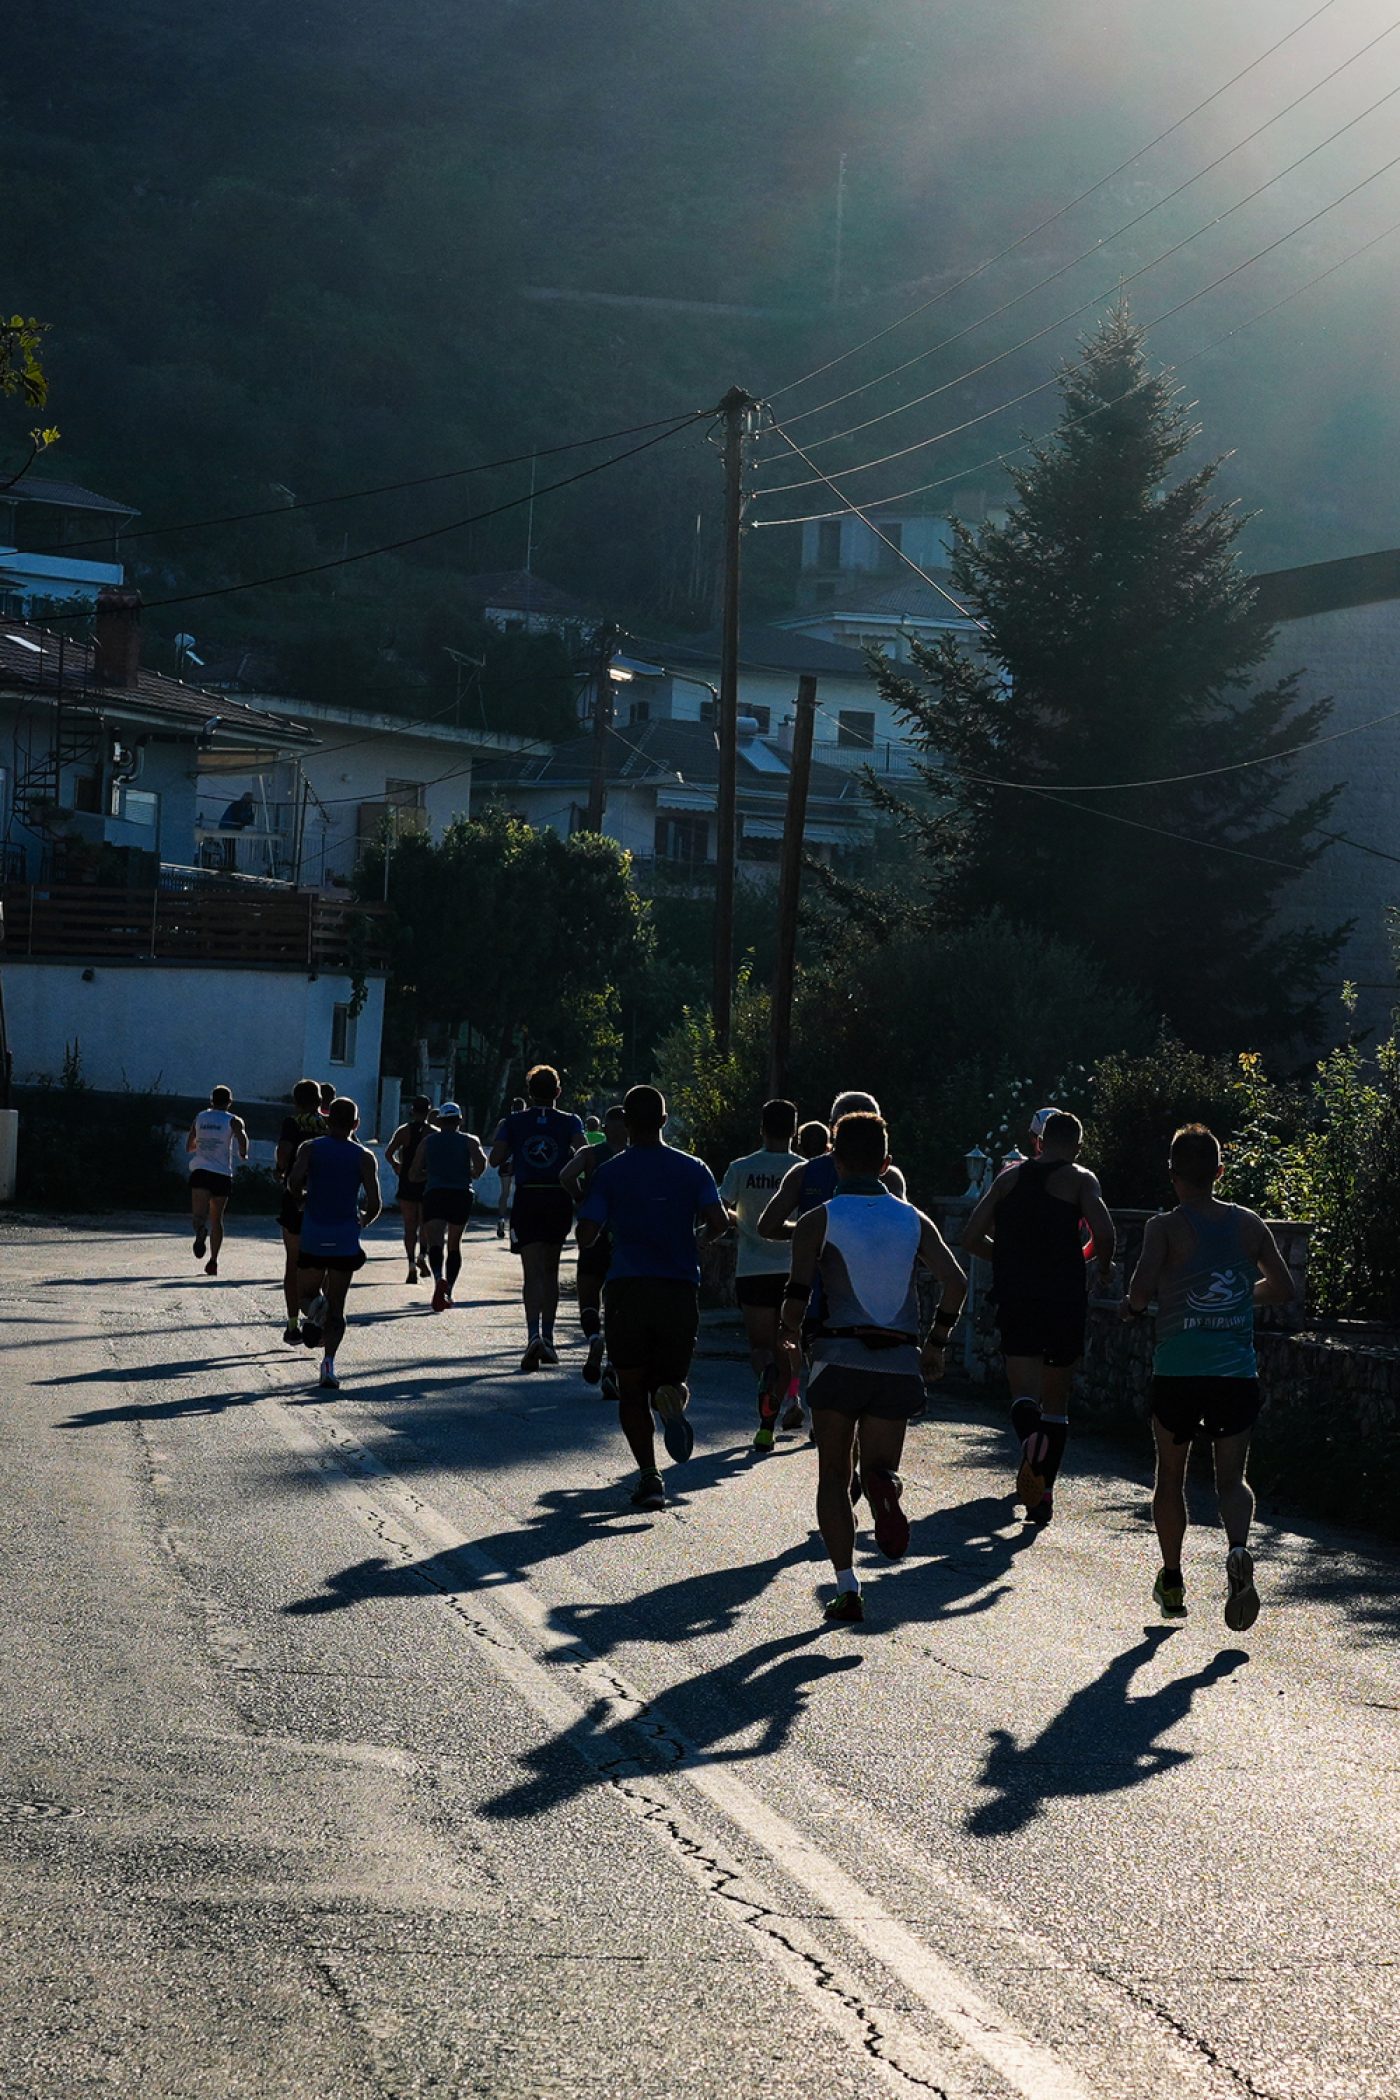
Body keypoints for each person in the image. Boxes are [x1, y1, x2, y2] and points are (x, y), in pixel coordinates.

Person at [782, 1111, 966, 1624]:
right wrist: (936, 1343)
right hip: (898, 1363)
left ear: (835, 1159)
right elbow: (956, 1282)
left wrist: (789, 1335)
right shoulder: (914, 1219)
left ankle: (847, 1587)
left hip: (838, 1359)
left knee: (834, 1477)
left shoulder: (818, 1220)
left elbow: (795, 1299)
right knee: (877, 1469)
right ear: (886, 1163)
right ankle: (885, 1486)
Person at [1124, 1123, 1293, 1629]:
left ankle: (1173, 1579)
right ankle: (1238, 1549)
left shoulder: (1164, 1227)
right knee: (1232, 1479)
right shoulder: (1249, 1225)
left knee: (1170, 1477)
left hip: (1178, 1370)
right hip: (1234, 1374)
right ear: (1220, 1172)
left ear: (1172, 1174)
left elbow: (1140, 1291)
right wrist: (1238, 1297)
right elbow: (1283, 1288)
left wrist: (1134, 1307)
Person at [576, 1085, 729, 1511]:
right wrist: (696, 1239)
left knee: (631, 1389)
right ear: (664, 1120)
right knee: (669, 1379)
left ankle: (649, 1477)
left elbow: (586, 1235)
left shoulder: (610, 1172)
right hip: (678, 1289)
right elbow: (719, 1222)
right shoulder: (693, 1168)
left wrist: (600, 1221)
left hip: (627, 1288)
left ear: (625, 1122)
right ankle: (671, 1396)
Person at [962, 1108, 1115, 1529]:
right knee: (1056, 1402)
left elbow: (970, 1237)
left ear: (1041, 1142)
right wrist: (1102, 1267)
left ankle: (1030, 1441)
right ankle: (1044, 1492)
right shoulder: (1081, 1179)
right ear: (1078, 1146)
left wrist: (1009, 1260)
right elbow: (1103, 1233)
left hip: (1017, 1296)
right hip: (1064, 1297)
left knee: (1024, 1396)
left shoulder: (1008, 1178)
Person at [490, 1066, 586, 1372]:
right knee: (551, 1270)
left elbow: (494, 1159)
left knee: (531, 1272)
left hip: (528, 1197)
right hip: (558, 1197)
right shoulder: (571, 1121)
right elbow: (585, 1154)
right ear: (558, 1092)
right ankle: (549, 1338)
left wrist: (514, 1144)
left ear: (529, 1092)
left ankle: (533, 1335)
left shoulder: (513, 1122)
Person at [720, 1100, 804, 1451]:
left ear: (761, 1128)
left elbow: (721, 1208)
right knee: (788, 1341)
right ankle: (782, 1409)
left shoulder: (741, 1168)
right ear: (795, 1130)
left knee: (760, 1347)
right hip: (792, 1268)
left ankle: (766, 1381)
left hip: (752, 1269)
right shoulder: (803, 1169)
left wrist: (740, 1221)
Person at [288, 1095, 381, 1390]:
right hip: (344, 1239)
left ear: (327, 1120)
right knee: (338, 1308)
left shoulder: (310, 1148)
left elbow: (293, 1181)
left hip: (314, 1235)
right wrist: (363, 1221)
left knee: (305, 1295)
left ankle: (315, 1310)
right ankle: (328, 1365)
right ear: (356, 1124)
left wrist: (301, 1198)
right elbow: (375, 1202)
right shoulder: (364, 1156)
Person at [561, 1103, 628, 1388]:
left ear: (605, 1128)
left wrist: (580, 1197)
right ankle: (613, 1367)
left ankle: (593, 1338)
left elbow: (565, 1175)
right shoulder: (636, 1158)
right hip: (625, 1239)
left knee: (588, 1295)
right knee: (619, 1304)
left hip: (593, 1233)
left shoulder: (589, 1154)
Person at [409, 1104, 487, 1312]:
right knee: (454, 1243)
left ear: (440, 1121)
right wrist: (471, 1173)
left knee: (435, 1241)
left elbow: (413, 1174)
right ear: (460, 1121)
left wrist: (429, 1174)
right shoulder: (470, 1141)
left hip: (435, 1193)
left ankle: (438, 1278)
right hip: (461, 1194)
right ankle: (449, 1291)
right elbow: (481, 1165)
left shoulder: (428, 1142)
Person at [274, 1078, 328, 1341]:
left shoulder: (292, 1123)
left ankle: (293, 1324)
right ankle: (320, 1313)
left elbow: (284, 1151)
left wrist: (280, 1170)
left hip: (296, 1196)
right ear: (320, 1101)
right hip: (326, 1199)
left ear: (296, 1102)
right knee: (325, 1261)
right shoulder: (330, 1124)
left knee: (293, 1262)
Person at [186, 1084, 249, 1277]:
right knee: (217, 1219)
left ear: (211, 1100)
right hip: (221, 1174)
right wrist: (243, 1153)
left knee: (198, 1216)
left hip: (201, 1171)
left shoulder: (200, 1117)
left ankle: (200, 1231)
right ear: (230, 1102)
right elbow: (242, 1138)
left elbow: (189, 1145)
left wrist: (201, 1144)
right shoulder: (233, 1120)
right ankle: (213, 1261)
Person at [385, 1095, 435, 1286]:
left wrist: (397, 1166)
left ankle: (411, 1264)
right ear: (429, 1111)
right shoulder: (433, 1133)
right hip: (427, 1182)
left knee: (409, 1226)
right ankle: (423, 1254)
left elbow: (389, 1153)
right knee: (425, 1224)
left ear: (412, 1111)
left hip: (407, 1181)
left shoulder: (403, 1131)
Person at [494, 1095, 525, 1240]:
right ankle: (517, 1224)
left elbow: (496, 1139)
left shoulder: (504, 1122)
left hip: (506, 1161)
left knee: (505, 1192)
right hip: (521, 1161)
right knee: (520, 1193)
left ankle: (501, 1219)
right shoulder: (526, 1121)